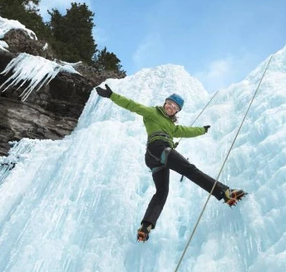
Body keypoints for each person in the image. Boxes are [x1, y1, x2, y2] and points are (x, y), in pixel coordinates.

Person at [96, 84, 246, 242]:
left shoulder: (173, 127)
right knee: (189, 170)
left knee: (162, 192)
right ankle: (224, 192)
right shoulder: (152, 112)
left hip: (153, 158)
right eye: (169, 103)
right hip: (159, 148)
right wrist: (112, 95)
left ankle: (146, 226)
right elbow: (132, 105)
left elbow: (187, 131)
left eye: (174, 107)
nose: (171, 107)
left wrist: (202, 130)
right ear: (165, 103)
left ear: (176, 111)